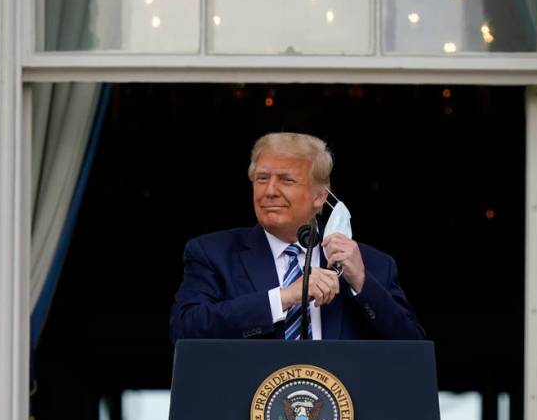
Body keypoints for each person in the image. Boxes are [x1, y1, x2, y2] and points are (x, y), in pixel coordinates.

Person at [169, 132, 425, 342]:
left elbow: (414, 348)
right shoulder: (213, 253)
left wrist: (361, 282)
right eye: (262, 179)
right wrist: (285, 297)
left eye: (286, 180)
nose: (270, 191)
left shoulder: (370, 263)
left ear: (320, 197)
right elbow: (185, 329)